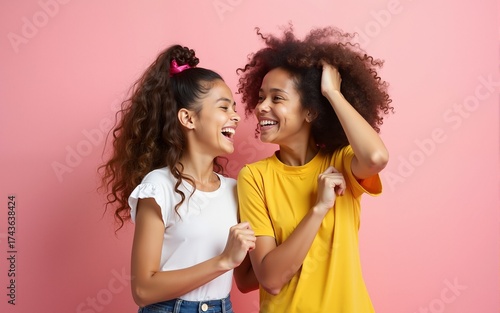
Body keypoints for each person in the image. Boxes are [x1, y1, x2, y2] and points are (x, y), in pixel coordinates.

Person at [236, 26, 393, 312]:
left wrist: (332, 93)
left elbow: (376, 156)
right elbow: (270, 279)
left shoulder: (341, 162)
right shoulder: (255, 177)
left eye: (277, 98)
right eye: (260, 97)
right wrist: (319, 208)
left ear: (310, 112)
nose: (261, 108)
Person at [100, 44, 257, 313]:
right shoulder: (158, 187)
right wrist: (222, 261)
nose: (236, 116)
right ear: (188, 118)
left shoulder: (236, 189)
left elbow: (243, 280)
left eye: (234, 107)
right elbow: (143, 290)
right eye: (223, 107)